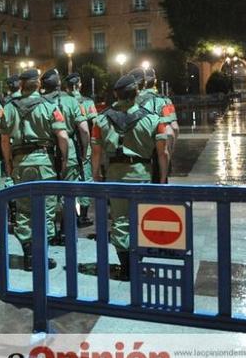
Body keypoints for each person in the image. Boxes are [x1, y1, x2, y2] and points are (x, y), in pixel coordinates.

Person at [91, 74, 171, 280]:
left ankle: (125, 266)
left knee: (120, 221)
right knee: (141, 221)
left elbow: (96, 153)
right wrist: (162, 180)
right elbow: (163, 153)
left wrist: (96, 174)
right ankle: (138, 264)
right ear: (137, 93)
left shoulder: (101, 119)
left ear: (116, 94)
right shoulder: (153, 119)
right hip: (142, 175)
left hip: (115, 176)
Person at [4, 68, 69, 270]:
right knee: (46, 209)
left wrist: (8, 163)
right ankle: (42, 256)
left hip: (20, 162)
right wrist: (64, 160)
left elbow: (4, 140)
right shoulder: (49, 106)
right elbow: (63, 137)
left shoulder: (9, 107)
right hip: (44, 162)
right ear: (38, 85)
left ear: (21, 85)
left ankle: (29, 255)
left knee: (23, 209)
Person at [41, 68, 89, 244]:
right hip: (68, 148)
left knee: (49, 196)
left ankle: (50, 233)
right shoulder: (71, 101)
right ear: (59, 84)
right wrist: (84, 152)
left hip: (45, 152)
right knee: (69, 194)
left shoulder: (38, 102)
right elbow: (84, 130)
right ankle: (67, 232)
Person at [65, 72, 98, 227]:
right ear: (79, 85)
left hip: (68, 145)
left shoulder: (63, 102)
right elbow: (95, 123)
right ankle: (83, 216)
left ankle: (72, 213)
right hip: (84, 144)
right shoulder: (87, 102)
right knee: (86, 179)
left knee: (69, 180)